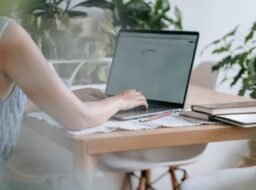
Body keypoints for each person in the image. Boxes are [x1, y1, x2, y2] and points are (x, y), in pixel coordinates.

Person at [0, 16, 148, 176]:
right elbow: (79, 118)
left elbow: (12, 107)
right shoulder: (7, 33)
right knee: (92, 172)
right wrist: (121, 100)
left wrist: (69, 98)